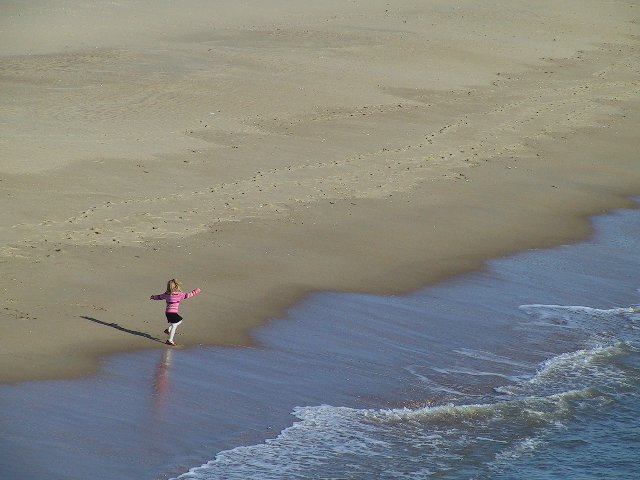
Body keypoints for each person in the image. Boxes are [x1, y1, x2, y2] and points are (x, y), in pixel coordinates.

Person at [150, 279, 201, 346]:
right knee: (175, 325)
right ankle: (170, 340)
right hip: (172, 313)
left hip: (168, 312)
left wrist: (153, 297)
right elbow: (189, 295)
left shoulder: (166, 294)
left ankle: (168, 330)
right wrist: (196, 291)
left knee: (179, 321)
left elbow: (159, 297)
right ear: (176, 286)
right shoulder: (179, 294)